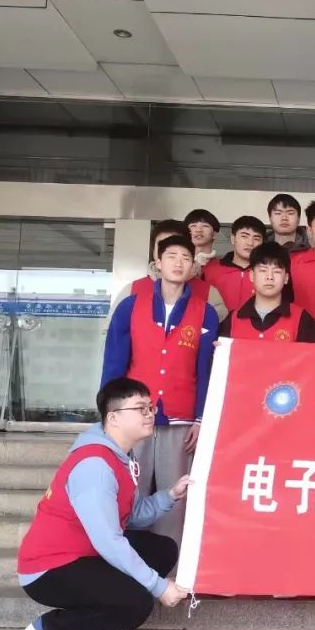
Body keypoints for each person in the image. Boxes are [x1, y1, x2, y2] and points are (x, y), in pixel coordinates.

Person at [17, 377, 190, 630]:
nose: (150, 414)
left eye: (150, 407)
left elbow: (130, 516)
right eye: (140, 408)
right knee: (136, 603)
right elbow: (109, 541)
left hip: (86, 553)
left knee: (161, 550)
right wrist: (159, 586)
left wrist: (170, 495)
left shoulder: (120, 455)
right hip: (50, 568)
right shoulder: (95, 466)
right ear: (114, 417)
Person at [102, 235, 219, 543]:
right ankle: (126, 561)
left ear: (193, 266)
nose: (178, 263)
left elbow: (205, 370)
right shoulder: (130, 307)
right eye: (171, 256)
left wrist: (201, 419)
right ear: (158, 262)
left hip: (181, 418)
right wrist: (109, 414)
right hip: (133, 415)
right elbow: (114, 362)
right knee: (129, 492)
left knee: (176, 497)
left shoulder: (205, 312)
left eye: (185, 257)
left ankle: (171, 564)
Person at [106, 219, 227, 326]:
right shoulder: (132, 290)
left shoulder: (209, 294)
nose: (168, 250)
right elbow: (111, 332)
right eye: (162, 245)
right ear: (154, 251)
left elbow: (218, 337)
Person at [221, 241, 315, 343]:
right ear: (251, 275)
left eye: (276, 271)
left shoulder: (302, 319)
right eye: (263, 270)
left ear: (286, 278)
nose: (269, 277)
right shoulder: (233, 320)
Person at [199, 215, 266, 315]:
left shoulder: (267, 272)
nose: (250, 243)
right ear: (233, 238)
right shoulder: (210, 269)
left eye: (256, 238)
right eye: (244, 236)